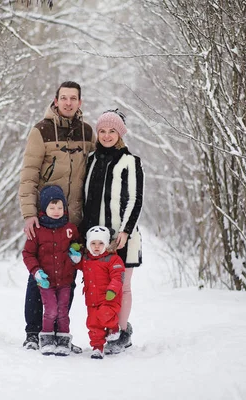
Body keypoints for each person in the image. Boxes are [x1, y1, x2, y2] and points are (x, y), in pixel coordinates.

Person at [18, 81, 96, 351]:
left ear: (80, 102)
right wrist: (29, 214)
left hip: (73, 220)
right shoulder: (41, 130)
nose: (68, 103)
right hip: (44, 218)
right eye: (64, 98)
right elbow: (29, 174)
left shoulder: (87, 133)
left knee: (66, 279)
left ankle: (58, 333)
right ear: (56, 100)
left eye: (73, 98)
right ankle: (33, 332)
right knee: (38, 276)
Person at [79, 109, 144, 354]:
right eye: (103, 131)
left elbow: (136, 199)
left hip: (121, 236)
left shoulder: (131, 161)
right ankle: (102, 329)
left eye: (112, 131)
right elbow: (86, 198)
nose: (106, 135)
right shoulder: (92, 159)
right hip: (95, 239)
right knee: (99, 287)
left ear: (120, 133)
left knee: (123, 286)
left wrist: (125, 231)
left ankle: (121, 331)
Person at [22, 185, 80, 356]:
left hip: (64, 280)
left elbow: (77, 244)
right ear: (44, 208)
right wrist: (36, 271)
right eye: (52, 207)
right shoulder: (38, 230)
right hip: (45, 280)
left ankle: (62, 340)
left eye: (60, 207)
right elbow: (28, 253)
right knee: (51, 310)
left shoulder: (70, 229)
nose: (56, 211)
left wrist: (76, 253)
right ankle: (43, 337)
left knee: (63, 311)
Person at [73, 225, 125, 359]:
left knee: (105, 315)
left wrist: (112, 289)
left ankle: (113, 328)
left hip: (109, 298)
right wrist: (74, 252)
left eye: (101, 243)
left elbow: (118, 276)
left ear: (106, 244)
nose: (97, 246)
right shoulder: (86, 259)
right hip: (91, 299)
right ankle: (97, 347)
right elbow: (76, 263)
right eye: (93, 243)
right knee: (92, 323)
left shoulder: (113, 259)